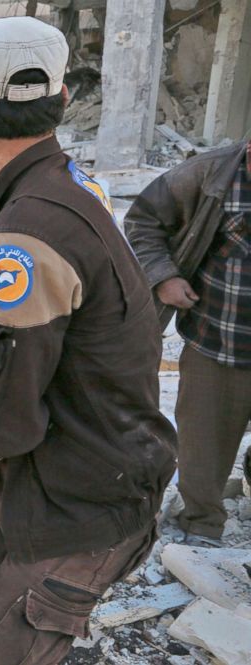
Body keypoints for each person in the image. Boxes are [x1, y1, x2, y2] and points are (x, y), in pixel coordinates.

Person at [0, 17, 178, 664]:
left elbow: (8, 420)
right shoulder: (60, 185)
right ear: (59, 103)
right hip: (28, 474)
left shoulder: (26, 236)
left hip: (85, 502)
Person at [125, 138, 251, 547]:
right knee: (204, 440)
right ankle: (203, 523)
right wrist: (164, 276)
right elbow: (142, 220)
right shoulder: (210, 173)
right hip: (218, 339)